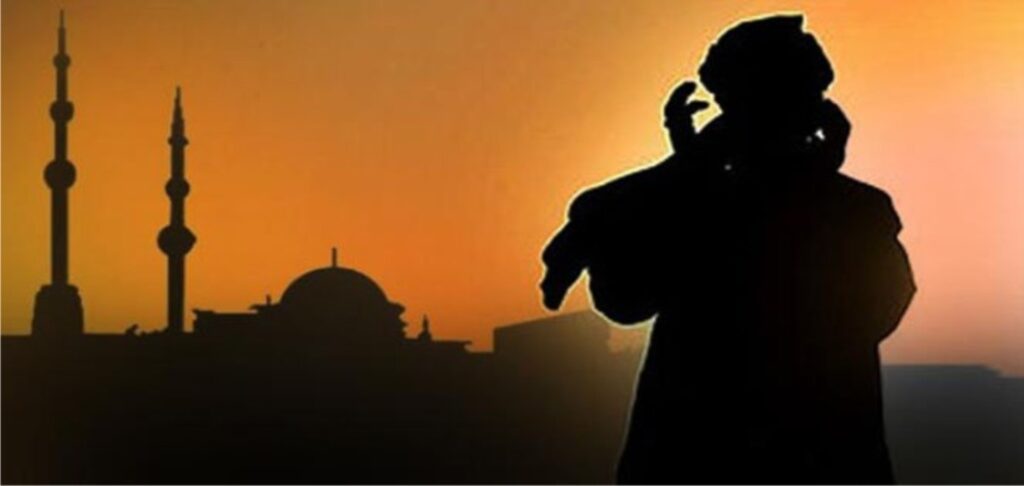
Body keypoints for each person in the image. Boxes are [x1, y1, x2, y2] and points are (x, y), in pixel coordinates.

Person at [540, 15, 915, 484]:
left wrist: (681, 174)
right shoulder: (857, 209)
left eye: (731, 106)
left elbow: (623, 296)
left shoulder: (700, 205)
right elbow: (623, 295)